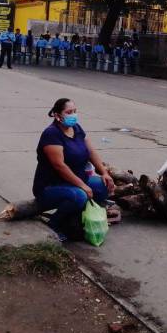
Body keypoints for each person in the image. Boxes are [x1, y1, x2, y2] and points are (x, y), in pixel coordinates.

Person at [33, 98, 115, 241]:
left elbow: (91, 152)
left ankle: (78, 218)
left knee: (103, 186)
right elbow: (60, 166)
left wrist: (104, 172)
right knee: (80, 196)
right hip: (51, 186)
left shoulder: (76, 128)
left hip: (76, 180)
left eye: (75, 111)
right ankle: (54, 224)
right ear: (58, 115)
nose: (73, 115)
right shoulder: (51, 134)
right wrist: (83, 186)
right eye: (69, 112)